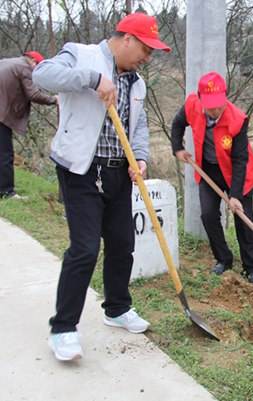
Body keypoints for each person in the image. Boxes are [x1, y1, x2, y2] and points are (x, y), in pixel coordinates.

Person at [32, 12, 171, 362]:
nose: (147, 57)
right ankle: (63, 328)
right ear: (126, 38)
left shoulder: (137, 84)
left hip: (118, 173)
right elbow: (42, 75)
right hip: (81, 170)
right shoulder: (81, 54)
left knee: (123, 244)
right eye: (145, 48)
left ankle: (117, 307)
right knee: (84, 248)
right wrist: (92, 79)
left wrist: (139, 159)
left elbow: (138, 127)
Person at [170, 71, 253, 285]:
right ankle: (224, 259)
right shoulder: (192, 105)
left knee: (244, 220)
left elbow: (240, 160)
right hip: (209, 170)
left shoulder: (237, 120)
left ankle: (251, 268)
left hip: (238, 175)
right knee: (209, 215)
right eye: (210, 106)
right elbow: (177, 124)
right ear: (200, 100)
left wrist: (236, 196)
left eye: (219, 105)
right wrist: (177, 148)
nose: (215, 110)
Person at [0, 51, 57, 199]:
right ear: (33, 62)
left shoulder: (7, 61)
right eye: (38, 67)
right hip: (1, 115)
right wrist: (54, 99)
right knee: (5, 154)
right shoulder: (24, 68)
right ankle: (6, 191)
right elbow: (33, 95)